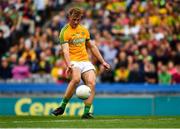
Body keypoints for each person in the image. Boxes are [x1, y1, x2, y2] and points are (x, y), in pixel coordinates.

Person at [52, 7, 110, 119]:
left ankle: (86, 113)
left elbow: (92, 46)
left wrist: (103, 62)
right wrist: (69, 64)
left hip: (85, 61)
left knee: (92, 83)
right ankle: (62, 107)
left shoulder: (84, 30)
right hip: (73, 61)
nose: (76, 22)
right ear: (69, 18)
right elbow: (65, 51)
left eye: (78, 19)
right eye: (74, 19)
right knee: (76, 79)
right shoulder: (64, 31)